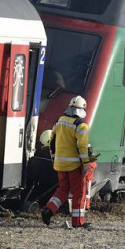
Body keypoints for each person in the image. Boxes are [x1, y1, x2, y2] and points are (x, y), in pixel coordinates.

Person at [40, 95, 94, 229]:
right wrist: (86, 163)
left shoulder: (59, 121)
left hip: (60, 164)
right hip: (74, 165)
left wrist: (54, 159)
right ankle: (78, 222)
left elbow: (52, 141)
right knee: (78, 193)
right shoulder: (81, 125)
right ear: (82, 109)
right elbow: (82, 146)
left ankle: (49, 209)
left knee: (63, 189)